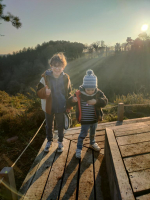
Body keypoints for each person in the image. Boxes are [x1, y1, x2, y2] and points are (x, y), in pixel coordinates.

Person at [37, 53, 72, 153]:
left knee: (60, 125)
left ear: (63, 67)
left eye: (60, 66)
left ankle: (60, 142)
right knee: (49, 125)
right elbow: (38, 92)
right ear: (51, 66)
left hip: (61, 106)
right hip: (48, 107)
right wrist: (45, 92)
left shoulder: (66, 78)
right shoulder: (44, 78)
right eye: (55, 66)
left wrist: (69, 105)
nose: (57, 69)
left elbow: (68, 93)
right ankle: (49, 141)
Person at [70, 69, 108, 159]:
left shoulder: (98, 93)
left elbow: (105, 101)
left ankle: (92, 142)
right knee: (82, 134)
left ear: (95, 87)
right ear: (84, 87)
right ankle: (79, 148)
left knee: (93, 133)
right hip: (85, 120)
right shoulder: (79, 94)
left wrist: (96, 101)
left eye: (92, 89)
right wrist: (72, 100)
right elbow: (70, 101)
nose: (90, 91)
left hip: (94, 119)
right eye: (88, 89)